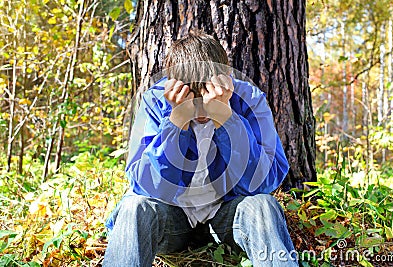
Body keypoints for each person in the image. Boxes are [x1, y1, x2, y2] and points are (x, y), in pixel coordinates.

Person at [102, 31, 298, 266]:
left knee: (263, 206)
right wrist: (176, 122)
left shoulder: (249, 99)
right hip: (173, 218)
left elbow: (266, 181)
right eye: (193, 97)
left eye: (207, 94)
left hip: (228, 216)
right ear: (174, 85)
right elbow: (145, 185)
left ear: (226, 79)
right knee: (134, 206)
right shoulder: (156, 100)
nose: (202, 110)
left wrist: (226, 118)